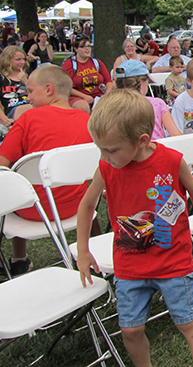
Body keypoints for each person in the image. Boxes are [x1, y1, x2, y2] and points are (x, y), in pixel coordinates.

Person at [76, 89, 193, 367]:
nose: (104, 156)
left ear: (142, 140)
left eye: (110, 149)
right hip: (129, 265)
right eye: (100, 148)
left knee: (189, 322)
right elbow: (87, 206)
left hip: (173, 262)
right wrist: (83, 250)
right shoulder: (106, 167)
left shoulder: (171, 161)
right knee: (130, 330)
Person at [0, 66, 98, 276]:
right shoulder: (87, 122)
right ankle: (94, 246)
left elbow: (2, 162)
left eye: (30, 91)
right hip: (78, 208)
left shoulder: (28, 119)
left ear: (48, 89)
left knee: (15, 186)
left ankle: (19, 259)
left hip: (31, 211)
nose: (28, 97)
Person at [115, 59, 182, 140]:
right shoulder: (157, 103)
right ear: (141, 84)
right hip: (156, 150)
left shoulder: (112, 106)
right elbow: (175, 134)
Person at [62, 36, 113, 113]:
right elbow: (66, 87)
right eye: (83, 47)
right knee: (83, 106)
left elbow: (108, 81)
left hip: (98, 96)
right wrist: (84, 96)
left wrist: (107, 94)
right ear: (76, 49)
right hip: (78, 96)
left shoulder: (97, 62)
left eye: (89, 46)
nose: (87, 49)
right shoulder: (69, 64)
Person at [0, 46, 30, 129]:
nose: (22, 62)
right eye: (18, 59)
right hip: (12, 109)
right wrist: (4, 119)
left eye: (23, 59)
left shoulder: (28, 75)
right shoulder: (2, 78)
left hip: (29, 105)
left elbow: (39, 96)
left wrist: (26, 82)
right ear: (8, 60)